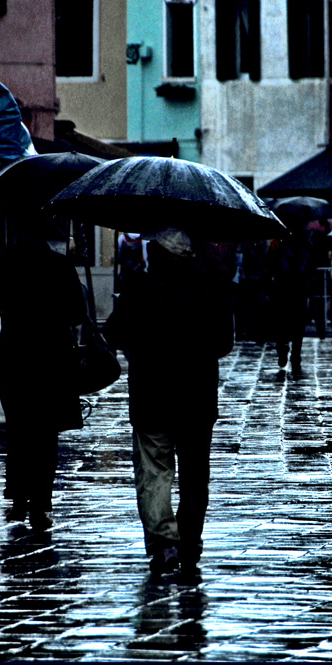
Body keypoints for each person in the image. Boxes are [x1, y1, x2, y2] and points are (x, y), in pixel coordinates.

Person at [102, 228, 234, 577]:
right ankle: (189, 542)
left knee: (153, 473)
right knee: (195, 476)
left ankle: (164, 542)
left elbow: (114, 334)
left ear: (159, 254)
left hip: (151, 396)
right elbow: (224, 343)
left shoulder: (139, 288)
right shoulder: (211, 288)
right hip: (196, 398)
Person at [0, 211, 87, 531]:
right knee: (45, 432)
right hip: (52, 359)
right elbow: (77, 315)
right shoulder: (61, 267)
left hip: (14, 359)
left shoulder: (2, 267)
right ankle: (41, 503)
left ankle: (19, 499)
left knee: (19, 429)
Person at [264, 227, 312, 373]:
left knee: (282, 323)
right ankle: (294, 355)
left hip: (284, 290)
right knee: (296, 325)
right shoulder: (305, 247)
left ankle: (285, 350)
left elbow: (268, 268)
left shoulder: (279, 246)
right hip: (296, 291)